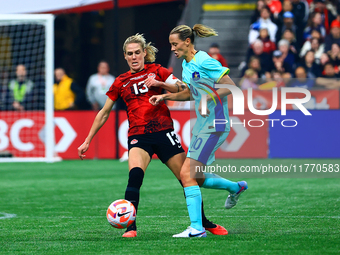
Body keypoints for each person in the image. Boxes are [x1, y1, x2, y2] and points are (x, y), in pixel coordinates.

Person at [78, 33, 228, 238]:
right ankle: (131, 227)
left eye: (137, 53)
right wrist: (87, 140)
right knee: (135, 175)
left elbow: (182, 88)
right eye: (130, 54)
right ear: (125, 56)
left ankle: (203, 222)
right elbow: (104, 112)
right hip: (139, 136)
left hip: (164, 133)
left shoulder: (158, 70)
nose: (134, 57)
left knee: (188, 178)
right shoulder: (120, 82)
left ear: (144, 53)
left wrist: (160, 84)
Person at [149, 24, 248, 238]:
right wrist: (164, 96)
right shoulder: (186, 65)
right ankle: (235, 187)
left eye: (175, 44)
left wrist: (208, 96)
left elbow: (232, 86)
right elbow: (190, 94)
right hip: (203, 125)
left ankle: (196, 228)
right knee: (198, 178)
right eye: (171, 45)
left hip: (215, 125)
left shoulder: (204, 60)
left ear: (187, 41)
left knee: (186, 173)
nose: (173, 49)